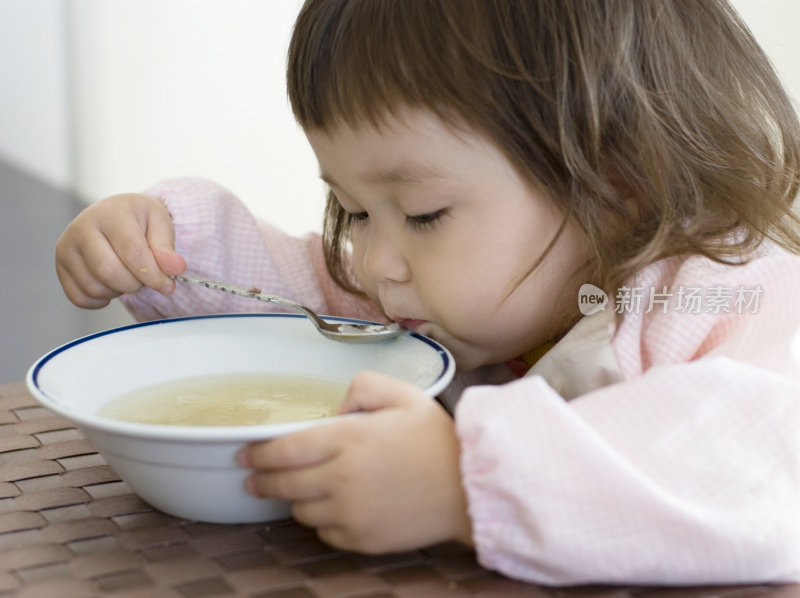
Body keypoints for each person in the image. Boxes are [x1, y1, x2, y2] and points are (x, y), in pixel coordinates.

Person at [54, 0, 800, 586]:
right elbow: (307, 307)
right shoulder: (439, 293)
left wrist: (463, 484)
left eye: (422, 215)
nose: (378, 261)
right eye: (353, 211)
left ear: (619, 181)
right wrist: (169, 250)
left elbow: (761, 463)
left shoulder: (732, 292)